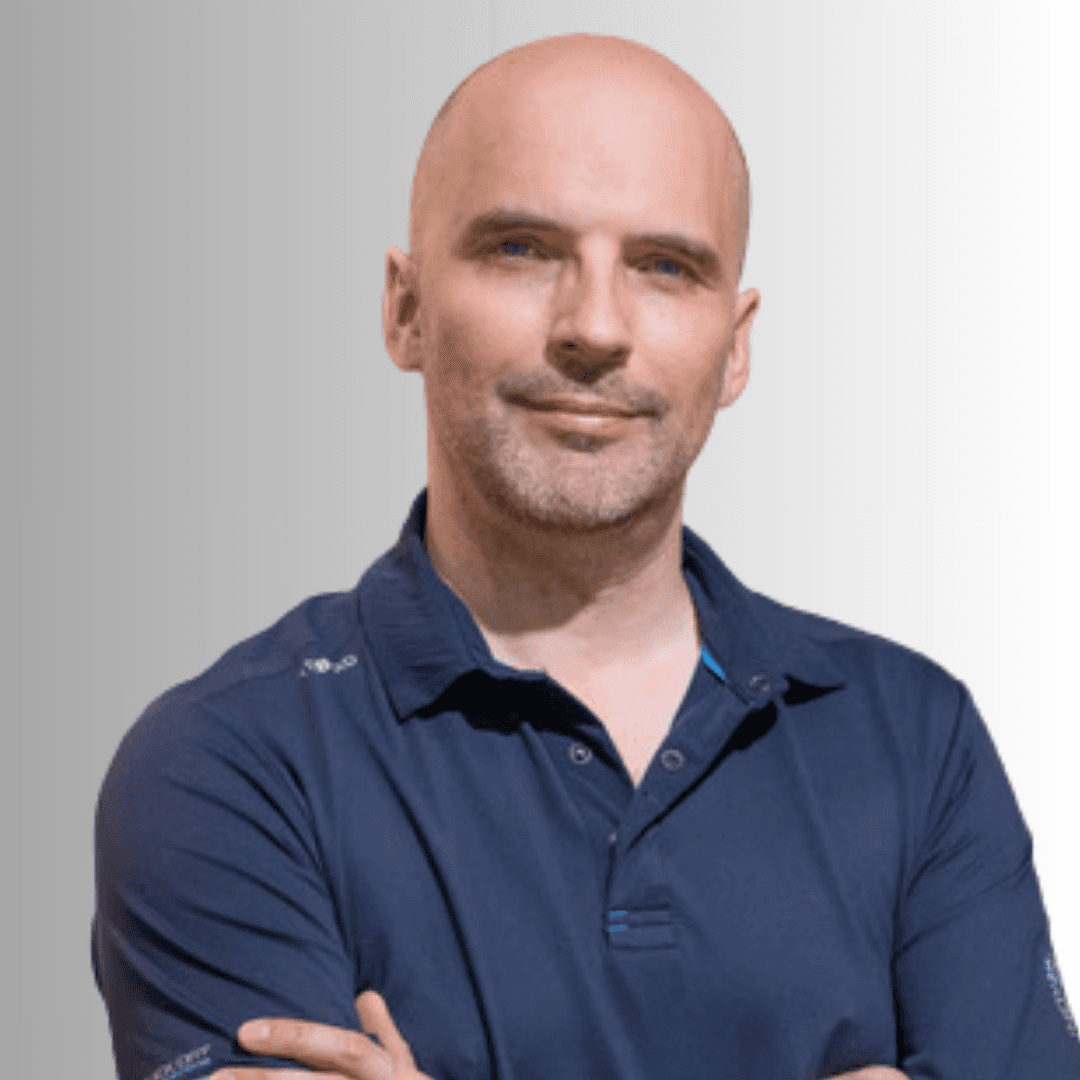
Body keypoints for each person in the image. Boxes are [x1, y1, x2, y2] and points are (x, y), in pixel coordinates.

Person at [92, 32, 1078, 1080]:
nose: (595, 328)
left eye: (665, 267)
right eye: (521, 248)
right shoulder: (231, 763)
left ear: (735, 345)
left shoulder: (912, 738)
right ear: (406, 309)